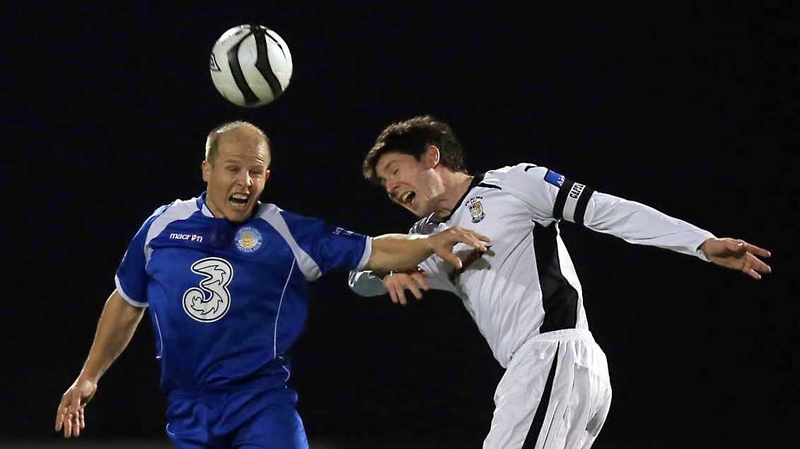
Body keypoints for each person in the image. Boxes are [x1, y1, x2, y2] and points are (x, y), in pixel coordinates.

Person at [54, 120, 490, 448]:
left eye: (256, 172)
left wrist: (430, 240)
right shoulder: (161, 227)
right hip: (186, 407)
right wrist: (88, 378)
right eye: (234, 169)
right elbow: (127, 302)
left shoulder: (284, 231)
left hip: (259, 405)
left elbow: (375, 249)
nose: (245, 181)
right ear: (206, 170)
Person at [348, 115, 772, 449]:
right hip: (539, 371)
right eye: (384, 183)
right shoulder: (425, 240)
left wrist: (699, 242)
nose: (391, 187)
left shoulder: (512, 184)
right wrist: (390, 272)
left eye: (394, 170)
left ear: (432, 156)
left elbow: (607, 211)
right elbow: (358, 278)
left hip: (553, 355)